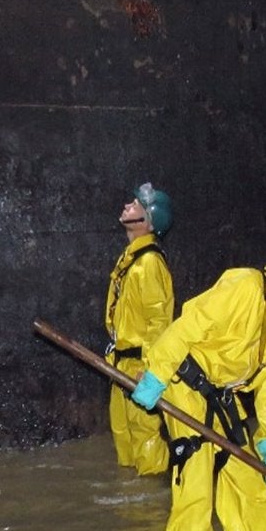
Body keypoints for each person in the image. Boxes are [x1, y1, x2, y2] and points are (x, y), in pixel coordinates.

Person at [127, 234, 266, 531]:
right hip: (185, 379)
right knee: (196, 473)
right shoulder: (247, 287)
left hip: (220, 393)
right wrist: (156, 374)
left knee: (249, 481)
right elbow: (188, 325)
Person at [105, 183, 176, 476]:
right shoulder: (131, 260)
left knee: (146, 437)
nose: (127, 206)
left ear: (149, 220)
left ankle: (152, 497)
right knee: (124, 437)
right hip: (121, 364)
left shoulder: (149, 264)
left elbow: (159, 322)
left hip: (139, 369)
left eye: (136, 204)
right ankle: (131, 497)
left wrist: (150, 370)